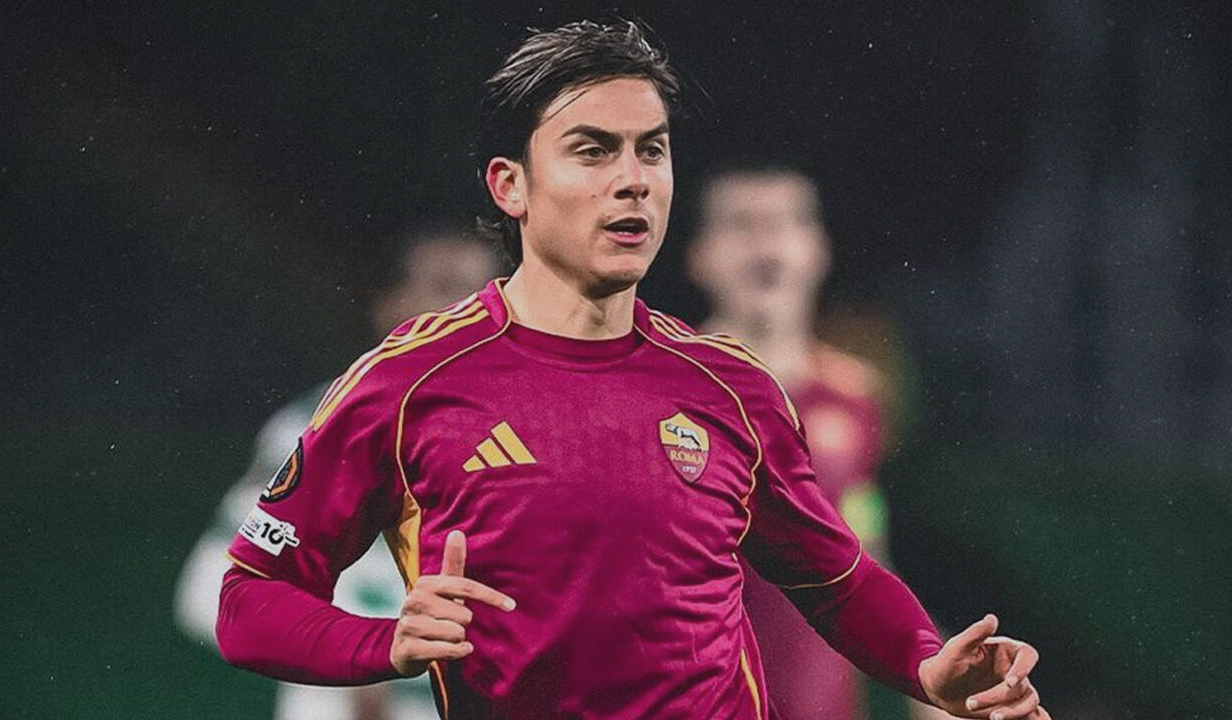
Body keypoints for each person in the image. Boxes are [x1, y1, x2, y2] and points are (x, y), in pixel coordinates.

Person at [216, 20, 1050, 720]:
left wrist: (927, 665)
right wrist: (382, 642)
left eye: (652, 151)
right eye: (593, 151)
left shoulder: (734, 387)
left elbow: (836, 579)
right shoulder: (406, 385)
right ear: (510, 186)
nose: (634, 181)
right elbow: (249, 600)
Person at [176, 225, 497, 720]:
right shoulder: (317, 426)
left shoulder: (548, 431)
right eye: (441, 287)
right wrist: (359, 651)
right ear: (389, 304)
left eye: (481, 291)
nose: (462, 307)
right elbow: (212, 593)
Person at [688, 161, 952, 720]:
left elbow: (863, 545)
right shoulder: (658, 391)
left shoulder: (858, 400)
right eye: (741, 223)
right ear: (699, 256)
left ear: (818, 248)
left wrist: (936, 681)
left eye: (786, 221)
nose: (765, 242)